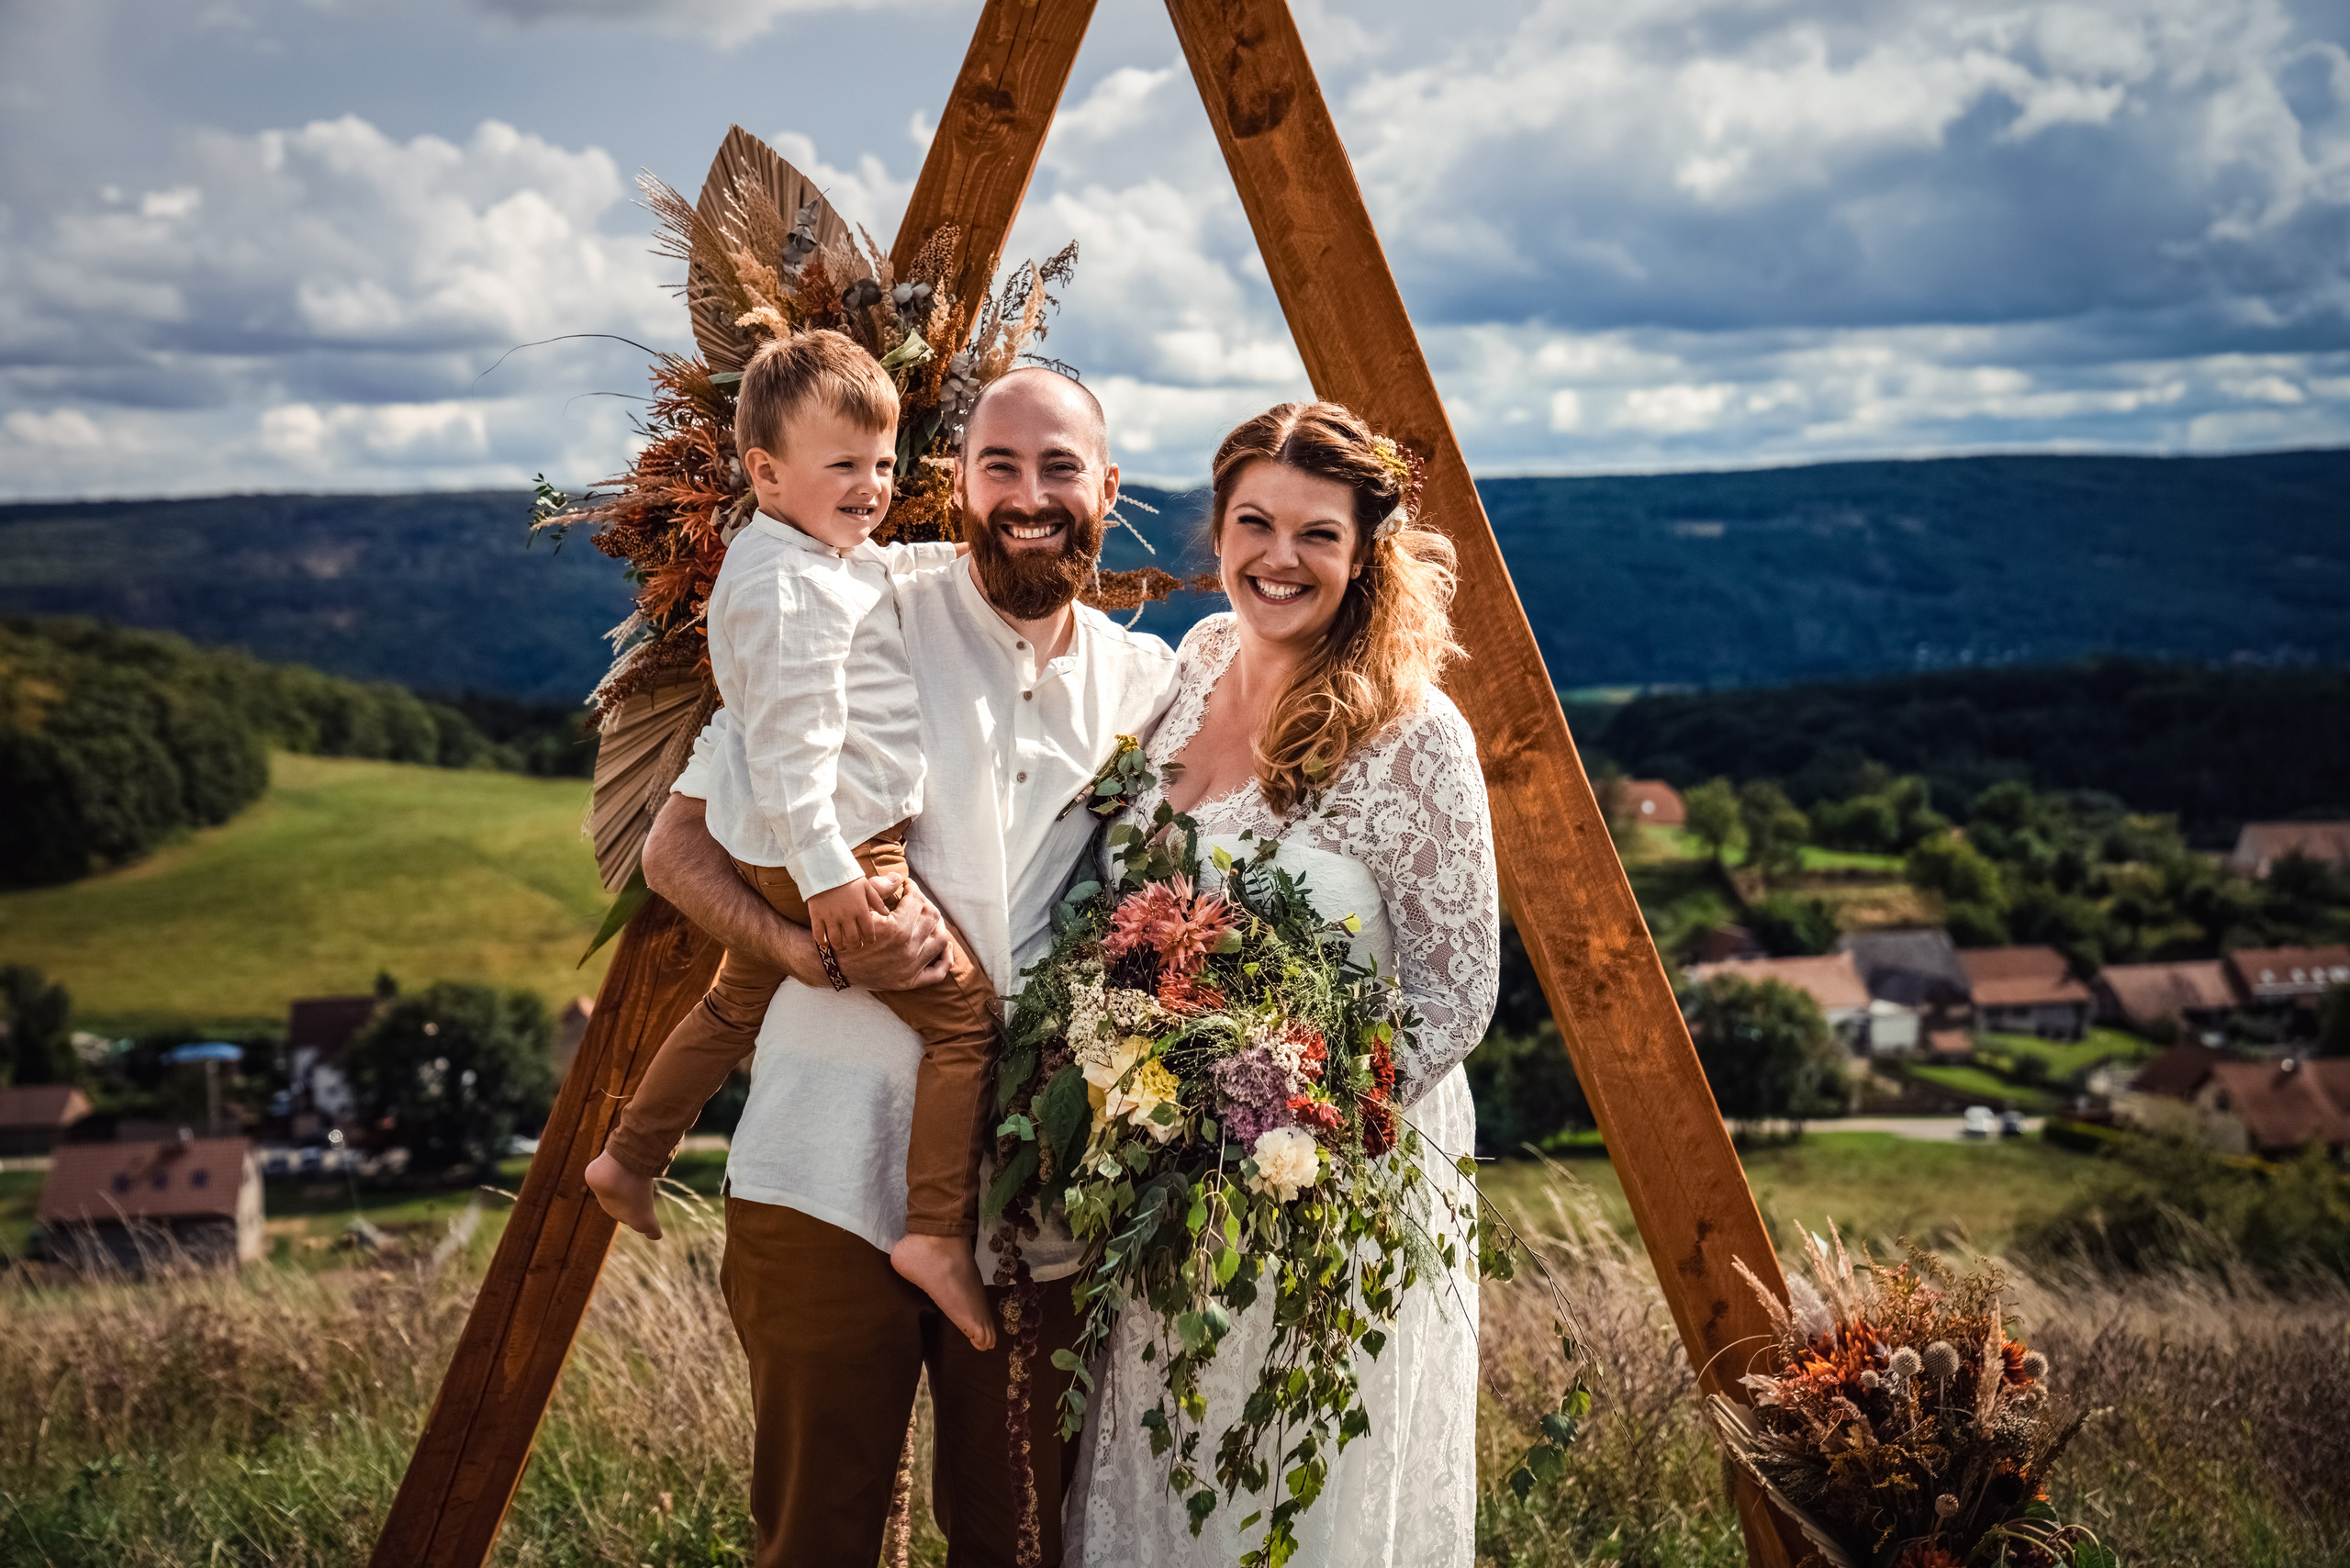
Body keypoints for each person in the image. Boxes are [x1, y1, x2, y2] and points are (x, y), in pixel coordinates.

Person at [640, 366, 1179, 1568]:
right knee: (818, 1541)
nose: (1029, 496)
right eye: (1000, 467)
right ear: (959, 482)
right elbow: (675, 847)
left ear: (1109, 486)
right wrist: (797, 940)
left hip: (1033, 1206)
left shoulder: (1154, 685)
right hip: (824, 1165)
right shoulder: (853, 603)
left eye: (1059, 468)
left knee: (1020, 1541)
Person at [1065, 402, 1500, 1566]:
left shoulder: (1413, 737)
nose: (1278, 557)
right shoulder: (1198, 660)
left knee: (1289, 1495)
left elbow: (1456, 995)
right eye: (1253, 522)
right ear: (1217, 532)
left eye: (1317, 533)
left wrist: (1278, 1126)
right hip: (1168, 1176)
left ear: (1365, 554)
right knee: (1168, 1466)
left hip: (1330, 1188)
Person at [585, 329, 1003, 1349]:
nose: (871, 486)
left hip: (784, 850)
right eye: (843, 467)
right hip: (845, 851)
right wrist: (828, 882)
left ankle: (629, 1155)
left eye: (883, 462)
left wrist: (957, 553)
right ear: (766, 474)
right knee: (963, 1023)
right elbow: (791, 751)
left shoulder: (807, 554)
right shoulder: (787, 592)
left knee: (734, 997)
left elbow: (874, 571)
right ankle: (935, 1233)